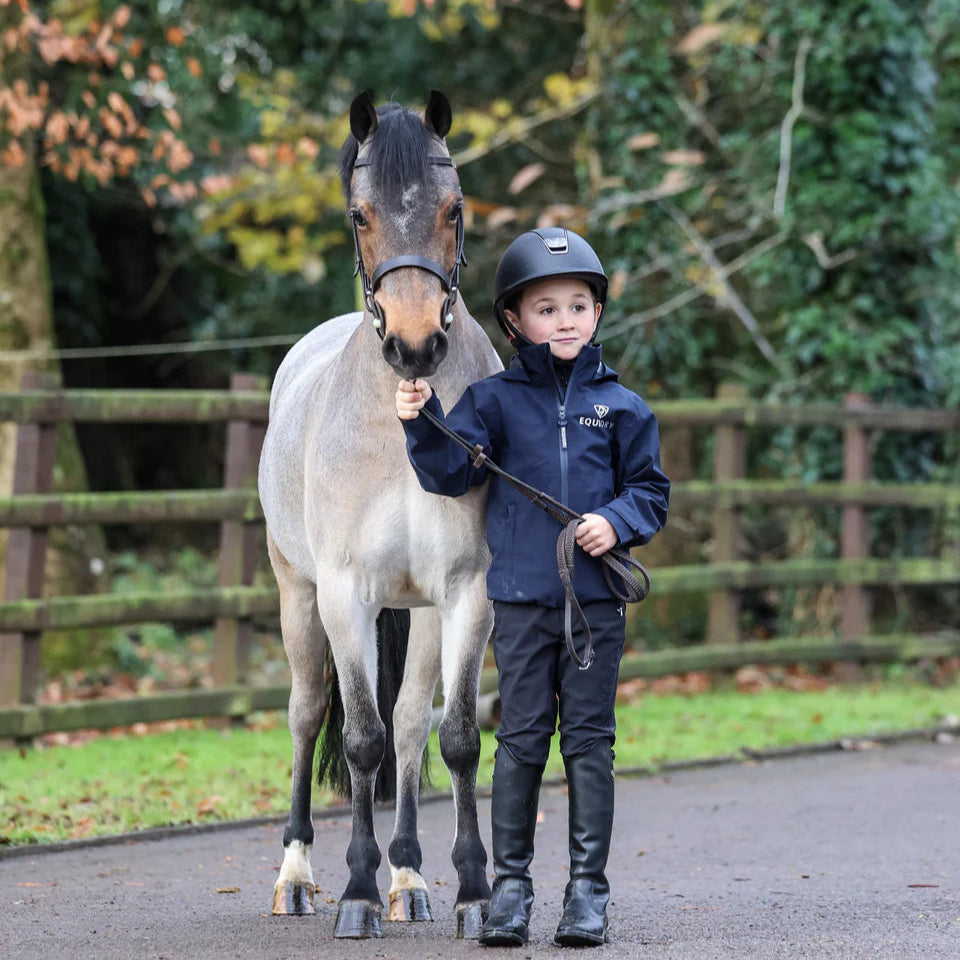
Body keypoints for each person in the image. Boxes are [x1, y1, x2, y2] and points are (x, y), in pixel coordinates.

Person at [396, 227, 670, 947]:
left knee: (589, 741)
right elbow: (449, 474)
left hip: (596, 603)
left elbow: (650, 491)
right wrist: (421, 423)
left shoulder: (623, 407)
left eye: (578, 306)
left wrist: (615, 521)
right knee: (520, 739)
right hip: (519, 602)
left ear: (597, 313)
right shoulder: (492, 403)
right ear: (515, 322)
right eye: (547, 310)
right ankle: (511, 888)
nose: (566, 321)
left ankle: (588, 892)